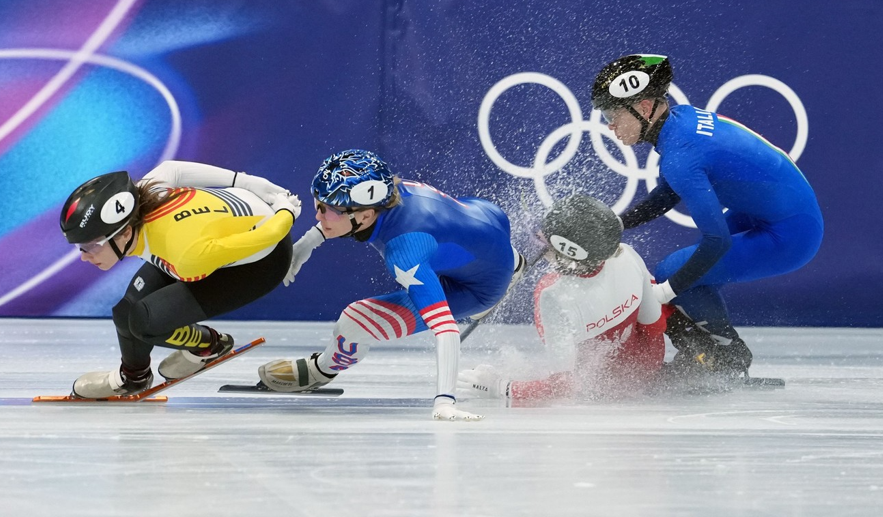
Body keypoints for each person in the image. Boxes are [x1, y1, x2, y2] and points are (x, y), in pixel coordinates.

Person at [590, 54, 823, 377]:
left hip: (793, 234)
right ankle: (708, 350)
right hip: (779, 213)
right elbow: (668, 194)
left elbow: (717, 241)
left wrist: (662, 295)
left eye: (612, 114)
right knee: (688, 275)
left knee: (673, 272)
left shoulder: (681, 155)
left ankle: (729, 357)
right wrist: (618, 223)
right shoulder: (681, 121)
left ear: (644, 107)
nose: (609, 125)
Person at [256, 149, 526, 420]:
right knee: (457, 238)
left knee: (353, 321)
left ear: (365, 216)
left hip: (476, 289)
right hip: (488, 219)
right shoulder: (391, 190)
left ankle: (322, 369)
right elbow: (343, 218)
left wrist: (445, 401)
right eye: (318, 204)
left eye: (328, 210)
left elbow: (445, 329)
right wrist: (306, 244)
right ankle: (514, 262)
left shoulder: (405, 252)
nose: (318, 216)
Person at [59, 160, 301, 398]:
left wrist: (285, 210)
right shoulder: (141, 199)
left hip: (263, 261)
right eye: (80, 246)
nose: (84, 256)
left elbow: (270, 234)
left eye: (91, 246)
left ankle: (209, 346)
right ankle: (133, 377)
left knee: (145, 322)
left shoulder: (186, 256)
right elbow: (172, 169)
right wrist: (243, 180)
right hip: (209, 238)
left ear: (125, 232)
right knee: (125, 312)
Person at [457, 195, 667, 404]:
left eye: (547, 239)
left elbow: (563, 387)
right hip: (647, 368)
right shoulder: (628, 255)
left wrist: (501, 387)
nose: (541, 239)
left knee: (547, 285)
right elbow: (656, 327)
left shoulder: (553, 295)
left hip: (605, 391)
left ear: (569, 251)